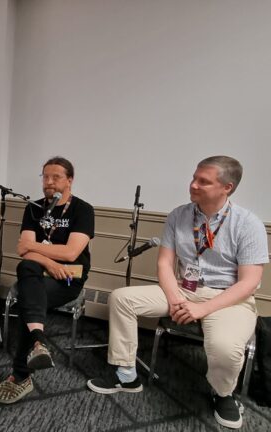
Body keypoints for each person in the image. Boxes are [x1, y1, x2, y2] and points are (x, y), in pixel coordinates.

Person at [87, 156, 267, 430]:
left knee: (224, 348)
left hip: (229, 299)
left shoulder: (248, 224)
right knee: (122, 298)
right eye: (194, 178)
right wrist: (175, 299)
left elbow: (249, 283)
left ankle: (223, 394)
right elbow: (164, 263)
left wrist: (202, 309)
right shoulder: (179, 215)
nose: (193, 185)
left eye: (203, 181)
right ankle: (126, 375)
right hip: (184, 290)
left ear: (227, 187)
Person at [0, 156, 95, 404]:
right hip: (41, 272)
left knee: (28, 291)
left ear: (70, 180)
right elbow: (22, 251)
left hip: (68, 278)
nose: (49, 182)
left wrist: (37, 252)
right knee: (27, 268)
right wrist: (49, 262)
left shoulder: (83, 210)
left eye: (56, 177)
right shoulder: (33, 208)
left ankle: (20, 374)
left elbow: (70, 253)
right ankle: (36, 346)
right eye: (45, 176)